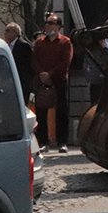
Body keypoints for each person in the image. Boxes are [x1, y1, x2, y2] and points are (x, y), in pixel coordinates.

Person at [32, 14, 74, 152]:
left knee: (61, 111)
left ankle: (62, 141)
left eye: (51, 23)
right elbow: (34, 60)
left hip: (59, 80)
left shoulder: (65, 42)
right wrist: (42, 73)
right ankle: (43, 141)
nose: (48, 25)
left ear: (58, 26)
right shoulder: (40, 42)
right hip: (42, 81)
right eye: (46, 23)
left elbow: (65, 62)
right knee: (41, 111)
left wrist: (50, 74)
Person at [3, 22, 34, 104]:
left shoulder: (23, 46)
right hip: (9, 84)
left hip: (21, 83)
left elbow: (27, 66)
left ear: (15, 33)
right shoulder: (7, 46)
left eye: (7, 30)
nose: (5, 33)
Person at [85, 36, 108, 104]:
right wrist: (88, 79)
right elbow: (86, 65)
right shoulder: (90, 50)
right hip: (95, 82)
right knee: (94, 104)